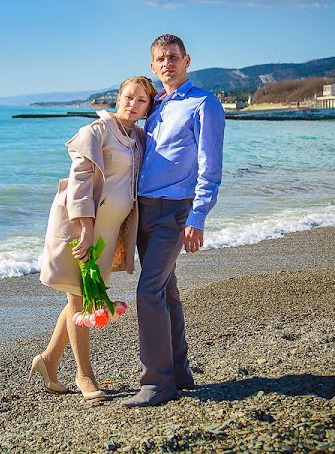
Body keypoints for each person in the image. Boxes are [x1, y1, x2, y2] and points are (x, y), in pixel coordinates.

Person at [31, 76, 157, 401]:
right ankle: (84, 375)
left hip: (108, 230)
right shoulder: (97, 132)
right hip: (81, 226)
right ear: (117, 98)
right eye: (128, 97)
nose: (133, 104)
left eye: (141, 100)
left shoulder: (138, 138)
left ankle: (48, 360)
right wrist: (85, 228)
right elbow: (80, 181)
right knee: (79, 297)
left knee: (82, 295)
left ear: (148, 107)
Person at [122, 34, 225, 407]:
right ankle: (180, 372)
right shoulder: (154, 105)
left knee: (148, 291)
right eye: (161, 58)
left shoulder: (204, 104)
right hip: (143, 210)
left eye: (174, 57)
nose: (168, 63)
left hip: (174, 211)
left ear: (187, 60)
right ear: (153, 66)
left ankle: (156, 382)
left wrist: (197, 215)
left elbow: (210, 166)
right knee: (166, 291)